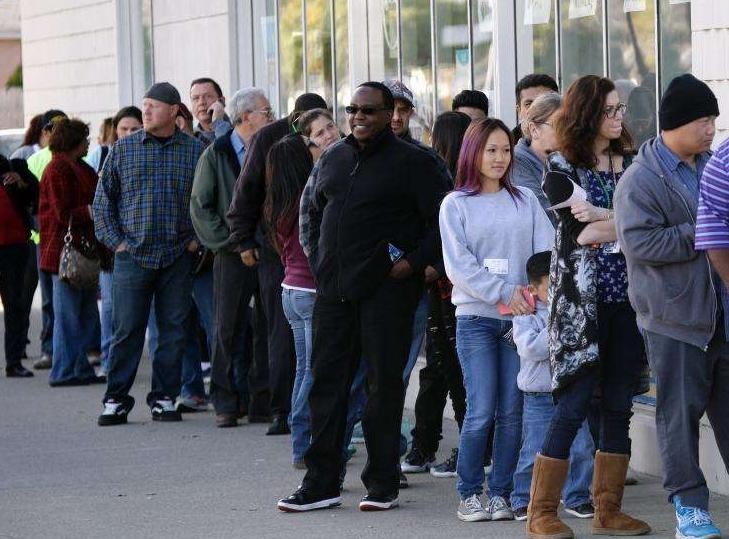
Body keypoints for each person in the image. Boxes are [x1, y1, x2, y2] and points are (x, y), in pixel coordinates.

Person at [277, 81, 449, 512]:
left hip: (388, 295)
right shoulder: (334, 157)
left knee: (382, 389)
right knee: (326, 385)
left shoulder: (417, 162)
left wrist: (412, 264)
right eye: (352, 109)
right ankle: (322, 482)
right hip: (333, 292)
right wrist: (321, 263)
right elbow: (311, 211)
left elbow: (446, 221)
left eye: (368, 110)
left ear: (390, 114)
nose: (358, 117)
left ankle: (382, 483)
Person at [529, 75, 650, 539]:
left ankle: (608, 509)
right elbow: (583, 234)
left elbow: (649, 221)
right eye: (609, 111)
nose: (618, 118)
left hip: (628, 302)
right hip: (581, 307)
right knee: (574, 404)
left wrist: (607, 217)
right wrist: (624, 221)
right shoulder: (561, 168)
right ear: (587, 115)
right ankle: (541, 512)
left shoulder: (633, 164)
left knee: (619, 405)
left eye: (621, 109)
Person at [617, 74, 726, 539]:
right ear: (674, 124)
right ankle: (689, 508)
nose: (711, 129)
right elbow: (639, 243)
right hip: (674, 319)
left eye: (714, 120)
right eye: (703, 121)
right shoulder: (641, 179)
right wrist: (705, 231)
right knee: (679, 418)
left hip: (721, 313)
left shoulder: (713, 166)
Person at [439, 118, 553, 522]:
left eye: (505, 149)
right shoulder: (455, 204)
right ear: (473, 152)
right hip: (476, 320)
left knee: (511, 412)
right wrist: (506, 293)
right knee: (480, 410)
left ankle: (501, 493)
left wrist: (532, 296)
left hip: (521, 322)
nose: (500, 158)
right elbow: (459, 267)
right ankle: (469, 492)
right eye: (491, 150)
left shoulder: (526, 199)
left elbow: (546, 255)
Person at [93, 82, 204, 426]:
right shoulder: (123, 150)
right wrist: (117, 243)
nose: (147, 111)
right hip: (132, 256)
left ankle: (164, 398)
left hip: (177, 256)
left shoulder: (195, 151)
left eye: (154, 106)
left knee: (173, 331)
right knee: (126, 330)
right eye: (145, 105)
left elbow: (207, 201)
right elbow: (102, 204)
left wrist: (195, 241)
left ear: (174, 111)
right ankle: (116, 400)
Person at [227, 92, 327, 436]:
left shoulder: (331, 140)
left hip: (316, 252)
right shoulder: (270, 138)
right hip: (278, 249)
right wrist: (243, 239)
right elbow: (246, 190)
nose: (319, 133)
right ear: (295, 121)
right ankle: (281, 409)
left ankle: (308, 412)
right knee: (281, 333)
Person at [190, 87, 274, 427]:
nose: (271, 117)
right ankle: (225, 401)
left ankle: (262, 401)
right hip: (231, 254)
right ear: (246, 117)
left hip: (268, 252)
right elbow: (201, 207)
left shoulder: (272, 151)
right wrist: (233, 243)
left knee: (268, 327)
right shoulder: (216, 154)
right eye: (266, 112)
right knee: (227, 328)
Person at [406, 111, 470, 479]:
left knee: (451, 370)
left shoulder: (450, 187)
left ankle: (456, 447)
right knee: (446, 369)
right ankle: (432, 443)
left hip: (451, 290)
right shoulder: (456, 184)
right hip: (448, 289)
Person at [510, 251, 595, 522]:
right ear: (533, 289)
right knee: (533, 450)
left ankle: (577, 496)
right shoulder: (525, 313)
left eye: (561, 281)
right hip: (538, 394)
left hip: (570, 390)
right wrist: (559, 325)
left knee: (582, 447)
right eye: (551, 284)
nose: (558, 289)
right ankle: (523, 498)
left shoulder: (574, 308)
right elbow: (531, 348)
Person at [38, 119, 106, 387]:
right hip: (64, 253)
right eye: (84, 139)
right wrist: (90, 211)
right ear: (73, 142)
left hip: (82, 251)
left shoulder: (79, 167)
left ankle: (79, 368)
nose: (88, 143)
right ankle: (64, 370)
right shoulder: (57, 169)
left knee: (82, 313)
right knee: (68, 315)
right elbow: (62, 213)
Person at [263, 135, 315, 467]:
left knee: (303, 368)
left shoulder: (276, 202)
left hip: (290, 290)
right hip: (310, 291)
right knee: (312, 369)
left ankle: (301, 442)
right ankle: (303, 442)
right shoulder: (305, 200)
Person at [95, 106, 143, 375]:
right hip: (113, 246)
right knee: (111, 307)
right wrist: (116, 242)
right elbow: (99, 205)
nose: (129, 133)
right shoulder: (105, 155)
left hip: (143, 246)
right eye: (124, 129)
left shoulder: (149, 154)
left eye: (135, 129)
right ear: (115, 131)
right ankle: (107, 360)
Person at [27, 109, 69, 371]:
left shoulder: (77, 156)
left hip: (70, 238)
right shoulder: (36, 160)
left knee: (73, 297)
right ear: (45, 132)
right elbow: (29, 202)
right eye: (55, 129)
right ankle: (49, 349)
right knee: (50, 299)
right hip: (44, 239)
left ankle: (71, 349)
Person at [0, 154, 38, 378]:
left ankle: (14, 361)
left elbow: (36, 196)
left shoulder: (12, 167)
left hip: (14, 248)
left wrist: (22, 182)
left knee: (14, 304)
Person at [512, 92, 561, 217]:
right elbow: (543, 215)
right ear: (534, 130)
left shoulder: (572, 158)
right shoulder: (516, 162)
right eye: (559, 125)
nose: (567, 132)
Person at [513, 74, 559, 142]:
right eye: (529, 104)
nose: (536, 109)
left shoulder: (573, 142)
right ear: (519, 111)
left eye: (544, 103)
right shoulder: (507, 145)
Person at [190, 77, 231, 145]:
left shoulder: (238, 128)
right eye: (196, 98)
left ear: (222, 101)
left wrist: (218, 123)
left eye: (208, 96)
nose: (201, 102)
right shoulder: (191, 137)